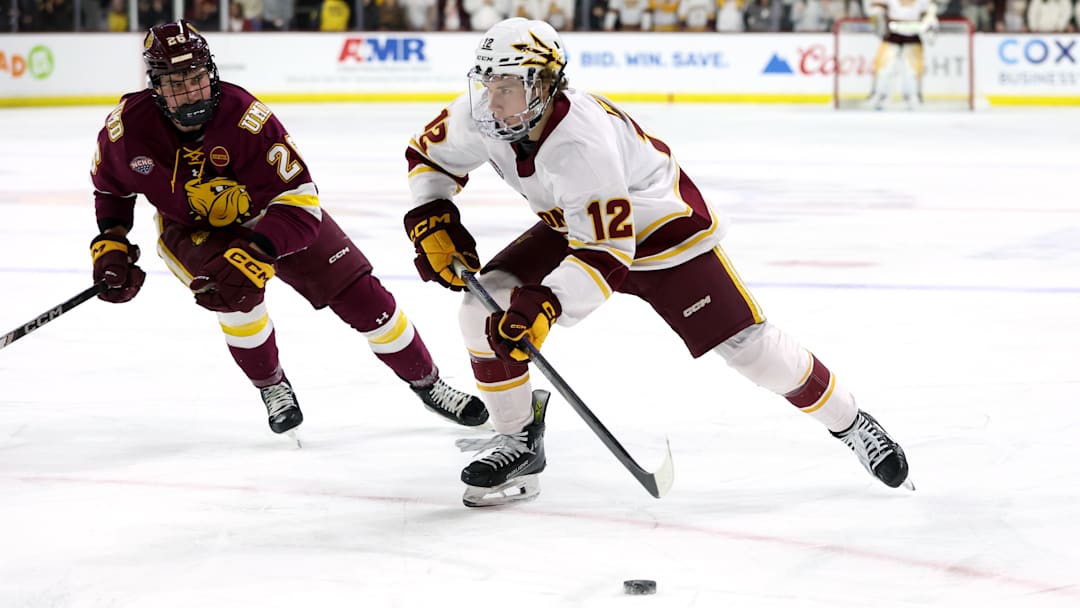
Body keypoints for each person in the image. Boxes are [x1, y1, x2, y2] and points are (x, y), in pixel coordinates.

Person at [402, 17, 912, 507]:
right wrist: (432, 215)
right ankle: (518, 441)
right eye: (488, 82)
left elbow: (608, 255)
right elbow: (428, 157)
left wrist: (545, 306)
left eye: (508, 86)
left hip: (661, 234)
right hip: (580, 226)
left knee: (753, 351)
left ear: (544, 87)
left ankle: (851, 422)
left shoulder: (580, 143)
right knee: (480, 306)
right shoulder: (484, 113)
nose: (492, 100)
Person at [89, 20, 488, 441]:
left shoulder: (247, 119)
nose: (189, 92)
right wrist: (111, 243)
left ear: (211, 72)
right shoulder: (125, 130)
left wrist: (258, 250)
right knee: (235, 298)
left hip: (271, 216)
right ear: (154, 86)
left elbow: (299, 201)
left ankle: (429, 383)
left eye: (195, 78)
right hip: (191, 231)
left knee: (363, 296)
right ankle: (273, 386)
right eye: (174, 83)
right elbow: (110, 189)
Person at [866, 0, 939, 110]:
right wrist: (877, 16)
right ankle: (880, 95)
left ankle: (912, 96)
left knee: (912, 69)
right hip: (893, 34)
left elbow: (928, 14)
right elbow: (875, 7)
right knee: (884, 66)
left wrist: (930, 21)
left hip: (913, 33)